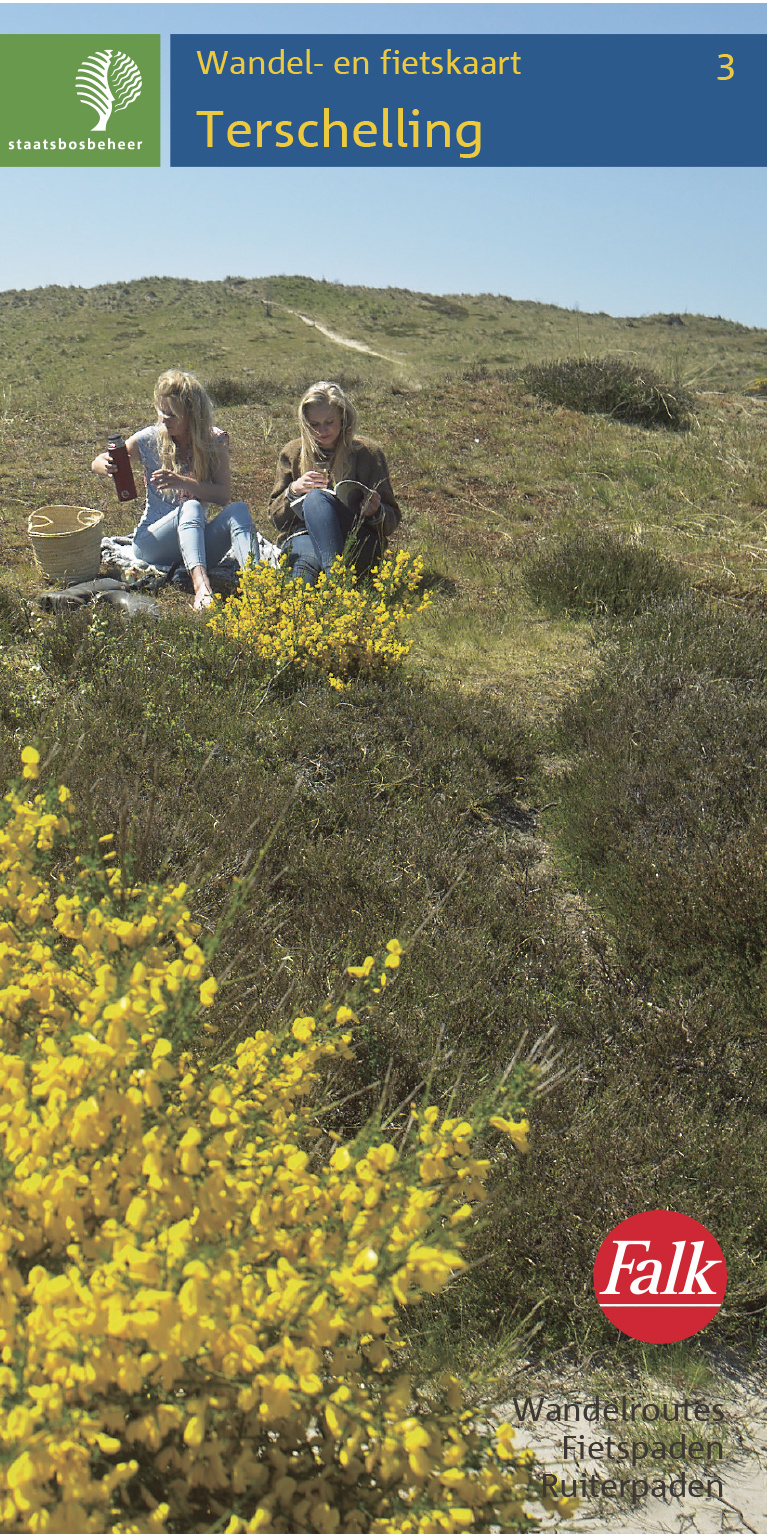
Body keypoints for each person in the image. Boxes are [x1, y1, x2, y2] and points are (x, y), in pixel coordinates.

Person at [91, 369, 256, 611]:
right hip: (152, 544)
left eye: (172, 415)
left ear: (193, 416)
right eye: (161, 411)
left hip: (196, 543)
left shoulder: (215, 440)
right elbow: (102, 460)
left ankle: (260, 585)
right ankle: (202, 588)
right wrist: (103, 465)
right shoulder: (150, 438)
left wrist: (183, 482)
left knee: (239, 510)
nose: (164, 420)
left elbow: (222, 495)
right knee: (191, 506)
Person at [268, 381, 402, 584]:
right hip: (305, 536)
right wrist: (293, 491)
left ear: (343, 418)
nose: (322, 430)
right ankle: (297, 608)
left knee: (316, 499)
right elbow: (277, 520)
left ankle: (334, 578)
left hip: (356, 537)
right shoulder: (293, 453)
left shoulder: (367, 453)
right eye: (314, 424)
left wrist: (375, 511)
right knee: (305, 562)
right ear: (305, 423)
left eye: (329, 422)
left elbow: (391, 520)